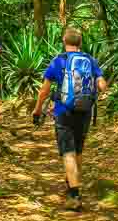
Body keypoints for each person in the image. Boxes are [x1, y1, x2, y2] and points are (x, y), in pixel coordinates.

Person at [32, 27, 107, 211]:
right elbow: (102, 84)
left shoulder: (58, 61)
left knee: (68, 151)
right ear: (80, 43)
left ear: (64, 42)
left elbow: (44, 90)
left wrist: (37, 109)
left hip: (63, 111)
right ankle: (72, 181)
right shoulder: (90, 60)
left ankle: (74, 195)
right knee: (78, 150)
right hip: (85, 111)